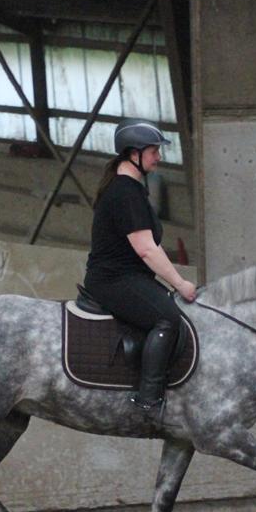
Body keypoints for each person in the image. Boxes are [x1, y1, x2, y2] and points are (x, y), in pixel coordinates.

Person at [84, 118, 198, 415]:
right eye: (153, 151)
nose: (158, 157)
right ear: (133, 153)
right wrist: (180, 283)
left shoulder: (132, 189)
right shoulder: (124, 193)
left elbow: (153, 246)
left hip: (128, 276)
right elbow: (146, 249)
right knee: (168, 319)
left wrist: (175, 278)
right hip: (113, 279)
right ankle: (148, 400)